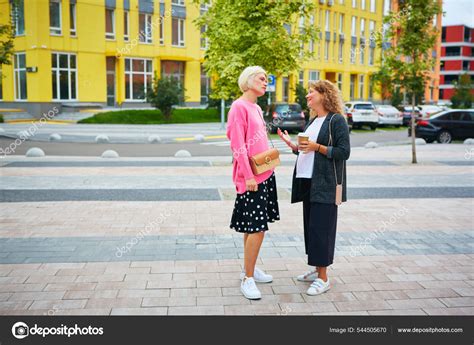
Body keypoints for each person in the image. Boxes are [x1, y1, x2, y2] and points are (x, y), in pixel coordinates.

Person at [278, 80, 350, 296]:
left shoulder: (336, 121)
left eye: (311, 93)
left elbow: (343, 152)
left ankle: (324, 278)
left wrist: (317, 147)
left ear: (324, 95)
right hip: (308, 181)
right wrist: (293, 146)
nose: (307, 96)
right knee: (312, 228)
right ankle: (316, 268)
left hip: (326, 184)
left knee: (322, 229)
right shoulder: (313, 121)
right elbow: (307, 151)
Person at [226, 66, 280, 300]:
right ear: (248, 81)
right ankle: (247, 279)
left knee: (254, 226)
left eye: (266, 79)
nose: (265, 82)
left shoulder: (256, 107)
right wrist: (248, 176)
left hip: (265, 173)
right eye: (261, 78)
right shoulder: (239, 107)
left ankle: (250, 268)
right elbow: (238, 145)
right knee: (257, 228)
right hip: (251, 177)